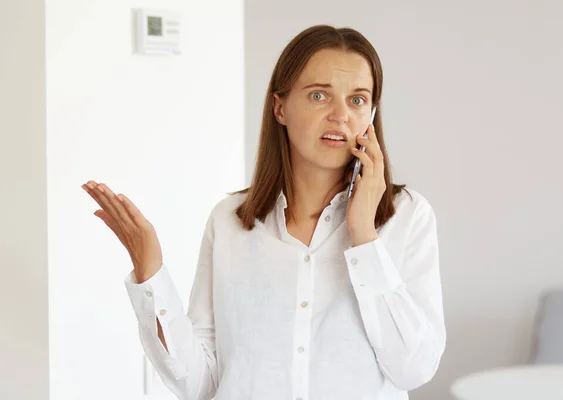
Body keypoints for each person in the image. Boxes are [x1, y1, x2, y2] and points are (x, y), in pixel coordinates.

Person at [82, 24, 445, 400]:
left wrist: (365, 237)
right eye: (320, 95)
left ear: (371, 115)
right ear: (280, 107)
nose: (341, 115)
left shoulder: (407, 218)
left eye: (357, 100)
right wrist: (149, 270)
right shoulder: (229, 222)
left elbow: (415, 368)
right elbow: (201, 382)